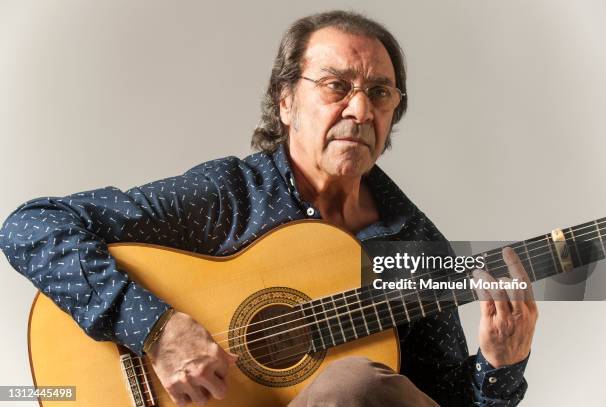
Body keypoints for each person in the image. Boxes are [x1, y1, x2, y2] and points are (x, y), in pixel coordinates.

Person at [0, 10, 537, 407]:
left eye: (380, 92)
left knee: (354, 386)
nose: (360, 109)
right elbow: (31, 226)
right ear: (285, 102)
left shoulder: (413, 247)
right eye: (336, 86)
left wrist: (500, 369)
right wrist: (158, 330)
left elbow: (437, 398)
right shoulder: (231, 195)